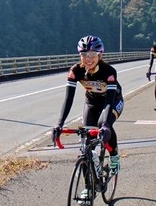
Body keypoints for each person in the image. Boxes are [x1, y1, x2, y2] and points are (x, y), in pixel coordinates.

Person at [52, 35, 124, 187]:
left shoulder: (109, 71)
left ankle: (114, 156)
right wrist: (59, 124)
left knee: (104, 123)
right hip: (91, 102)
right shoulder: (75, 71)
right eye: (84, 54)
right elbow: (68, 99)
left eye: (92, 55)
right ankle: (88, 187)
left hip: (112, 101)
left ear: (100, 55)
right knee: (86, 145)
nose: (88, 59)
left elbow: (109, 100)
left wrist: (105, 125)